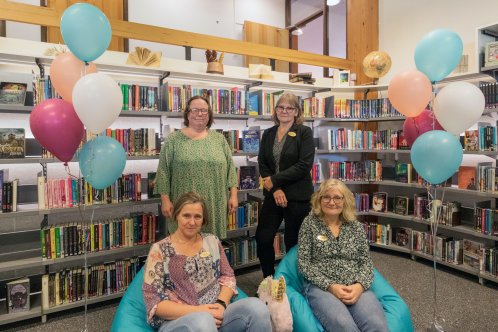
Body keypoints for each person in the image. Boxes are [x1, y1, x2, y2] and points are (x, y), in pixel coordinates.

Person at [143, 191, 271, 332]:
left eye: (197, 216)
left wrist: (221, 304)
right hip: (179, 320)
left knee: (258, 308)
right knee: (203, 322)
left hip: (216, 312)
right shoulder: (159, 250)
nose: (192, 222)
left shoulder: (212, 241)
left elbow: (228, 276)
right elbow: (155, 303)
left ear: (203, 220)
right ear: (176, 216)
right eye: (186, 215)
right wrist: (199, 311)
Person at [298, 179, 388, 332]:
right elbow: (304, 264)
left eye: (337, 197)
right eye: (326, 197)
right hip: (322, 287)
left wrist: (359, 287)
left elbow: (366, 262)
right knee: (344, 326)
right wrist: (331, 287)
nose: (331, 202)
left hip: (354, 283)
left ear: (345, 200)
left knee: (377, 325)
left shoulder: (355, 226)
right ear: (319, 200)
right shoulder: (309, 224)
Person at [155, 95, 238, 239]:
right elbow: (163, 170)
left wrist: (234, 195)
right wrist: (165, 199)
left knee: (210, 248)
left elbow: (231, 168)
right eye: (195, 110)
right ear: (187, 113)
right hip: (183, 205)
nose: (200, 114)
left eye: (204, 110)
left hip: (215, 203)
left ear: (209, 114)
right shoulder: (174, 140)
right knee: (183, 248)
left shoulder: (219, 139)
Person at [256, 92, 315, 277]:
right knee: (263, 238)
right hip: (273, 194)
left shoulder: (304, 132)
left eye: (290, 108)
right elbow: (263, 162)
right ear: (275, 110)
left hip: (297, 196)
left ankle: (292, 280)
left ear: (296, 112)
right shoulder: (269, 133)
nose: (285, 111)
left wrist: (274, 180)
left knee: (293, 242)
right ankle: (268, 279)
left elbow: (303, 166)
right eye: (281, 107)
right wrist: (275, 188)